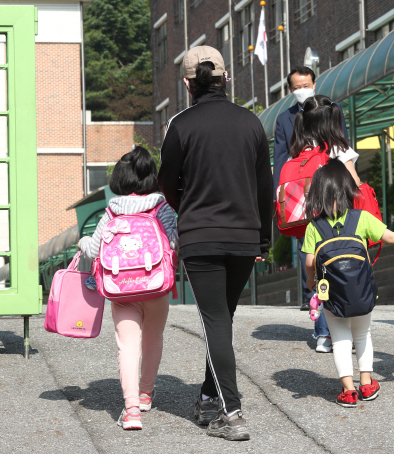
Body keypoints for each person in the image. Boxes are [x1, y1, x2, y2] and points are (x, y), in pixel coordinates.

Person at [158, 46, 273, 441]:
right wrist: (264, 237)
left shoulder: (181, 125)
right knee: (221, 319)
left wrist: (186, 206)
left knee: (215, 321)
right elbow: (264, 187)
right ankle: (210, 397)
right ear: (227, 78)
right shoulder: (251, 122)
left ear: (188, 84)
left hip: (201, 235)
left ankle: (231, 411)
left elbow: (166, 182)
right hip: (244, 235)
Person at [301, 159, 394, 407]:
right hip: (361, 292)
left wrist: (311, 282)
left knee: (340, 338)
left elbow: (310, 262)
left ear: (317, 193)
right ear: (347, 189)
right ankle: (366, 384)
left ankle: (348, 390)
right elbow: (391, 236)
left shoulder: (314, 227)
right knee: (362, 333)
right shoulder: (361, 218)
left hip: (332, 295)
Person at [78, 146, 178, 430]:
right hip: (156, 285)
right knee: (153, 339)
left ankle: (131, 410)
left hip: (121, 289)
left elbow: (95, 248)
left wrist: (82, 244)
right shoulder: (162, 208)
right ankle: (146, 394)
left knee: (127, 346)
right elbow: (172, 243)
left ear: (120, 179)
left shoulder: (112, 211)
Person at [274, 66, 349, 354]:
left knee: (336, 256)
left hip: (332, 193)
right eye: (297, 86)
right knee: (312, 260)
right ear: (290, 89)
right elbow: (280, 159)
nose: (303, 88)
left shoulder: (332, 108)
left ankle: (340, 323)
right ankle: (322, 329)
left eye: (307, 84)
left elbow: (343, 147)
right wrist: (277, 195)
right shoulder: (284, 119)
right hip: (301, 199)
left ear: (315, 83)